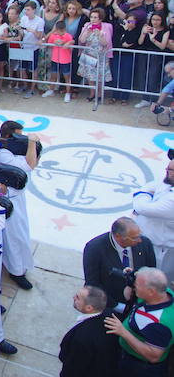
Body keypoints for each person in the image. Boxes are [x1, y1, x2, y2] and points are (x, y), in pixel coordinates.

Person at [103, 267, 174, 375]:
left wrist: (123, 332)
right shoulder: (162, 293)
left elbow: (153, 356)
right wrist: (130, 281)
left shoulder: (161, 323)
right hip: (127, 356)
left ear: (151, 291)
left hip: (141, 368)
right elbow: (128, 296)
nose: (134, 287)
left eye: (137, 285)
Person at [83, 217, 156, 311]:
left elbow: (152, 272)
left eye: (139, 235)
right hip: (108, 304)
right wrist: (116, 306)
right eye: (134, 238)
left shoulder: (145, 243)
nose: (139, 240)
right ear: (118, 236)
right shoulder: (95, 248)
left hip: (139, 302)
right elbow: (92, 283)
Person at [58, 286, 119, 377]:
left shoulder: (82, 339)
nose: (73, 297)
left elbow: (73, 369)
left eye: (78, 297)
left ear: (89, 308)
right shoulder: (111, 315)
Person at [132, 153, 174, 282]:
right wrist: (146, 193)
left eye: (170, 170)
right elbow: (151, 185)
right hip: (148, 243)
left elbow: (142, 207)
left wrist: (143, 195)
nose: (166, 172)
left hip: (162, 250)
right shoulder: (167, 183)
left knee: (156, 282)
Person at [77, 8, 113, 102]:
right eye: (91, 17)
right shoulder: (86, 26)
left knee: (100, 77)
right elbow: (82, 41)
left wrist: (100, 36)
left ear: (100, 19)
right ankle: (92, 94)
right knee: (90, 76)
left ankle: (100, 95)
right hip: (89, 55)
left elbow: (106, 43)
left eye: (95, 17)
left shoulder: (106, 27)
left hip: (101, 56)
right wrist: (86, 33)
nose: (93, 19)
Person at [44, 20, 75, 101]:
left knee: (67, 77)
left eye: (62, 31)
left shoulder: (68, 36)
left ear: (65, 29)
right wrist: (54, 42)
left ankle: (68, 93)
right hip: (55, 59)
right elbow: (49, 45)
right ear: (56, 30)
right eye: (59, 31)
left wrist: (66, 43)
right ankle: (51, 90)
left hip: (66, 60)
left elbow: (72, 47)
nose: (61, 33)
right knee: (53, 75)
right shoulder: (53, 36)